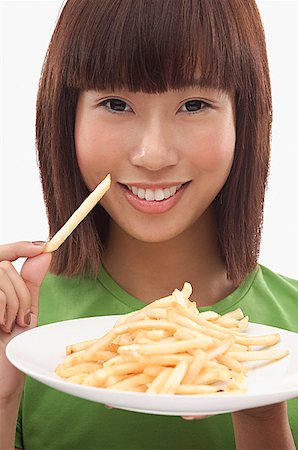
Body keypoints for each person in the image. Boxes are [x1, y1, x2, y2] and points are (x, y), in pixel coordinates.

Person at [0, 0, 297, 449]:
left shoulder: (289, 334)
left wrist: (260, 419)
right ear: (66, 117)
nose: (153, 155)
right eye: (116, 103)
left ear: (244, 117)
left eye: (194, 104)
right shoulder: (23, 325)